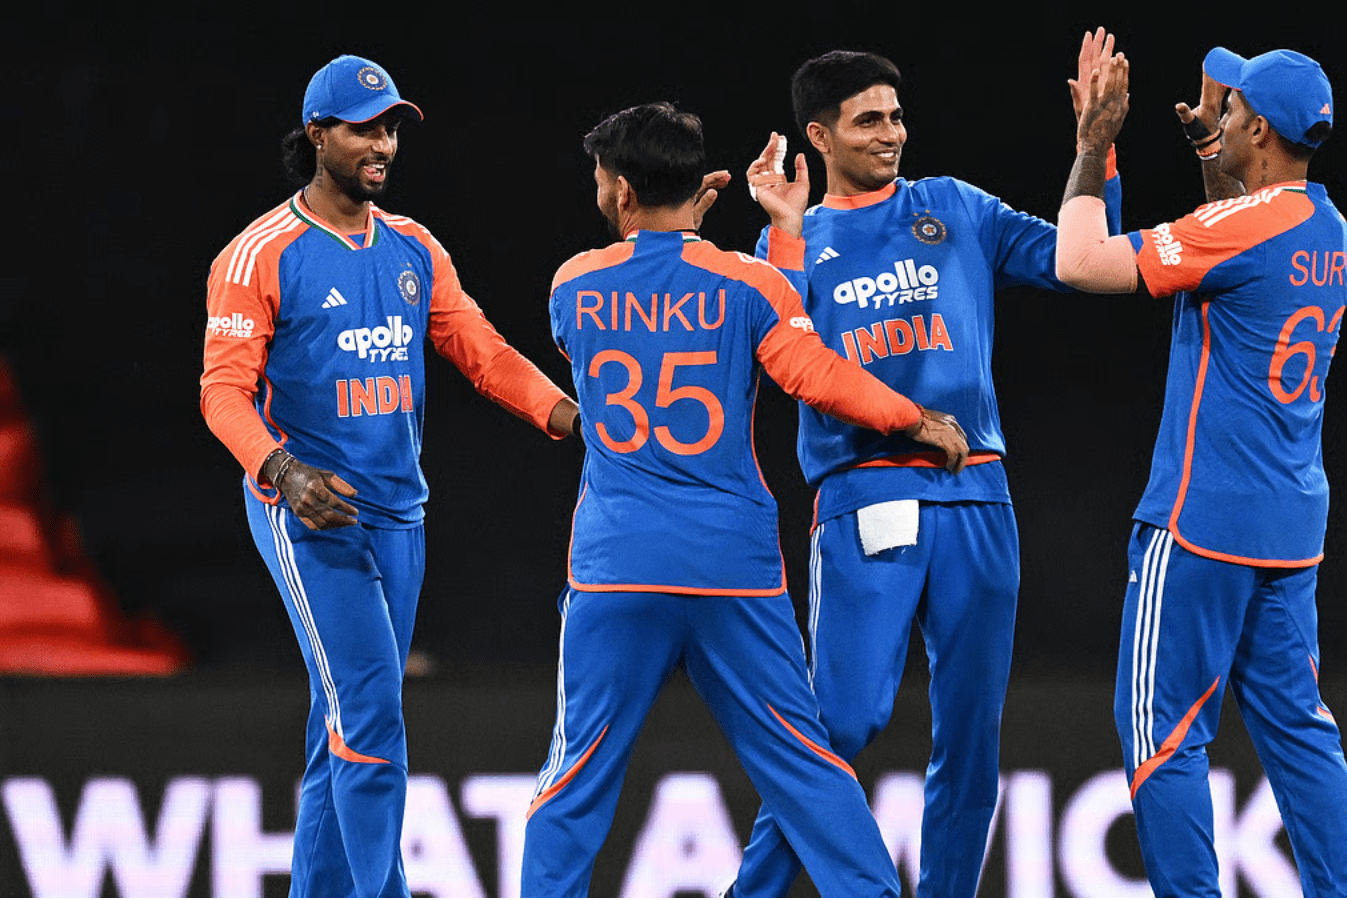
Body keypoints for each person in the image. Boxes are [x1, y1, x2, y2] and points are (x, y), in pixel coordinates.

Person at [518, 101, 970, 899]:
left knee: (576, 772)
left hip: (617, 566)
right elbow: (808, 368)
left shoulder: (572, 284)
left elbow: (632, 317)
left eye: (600, 179)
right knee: (802, 764)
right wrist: (912, 418)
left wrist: (683, 231)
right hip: (731, 567)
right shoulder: (750, 282)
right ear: (695, 186)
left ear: (622, 191)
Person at [729, 35, 1122, 898]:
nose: (891, 133)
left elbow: (1080, 262)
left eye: (897, 116)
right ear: (818, 136)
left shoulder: (954, 206)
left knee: (972, 741)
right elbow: (781, 353)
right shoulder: (792, 241)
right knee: (842, 723)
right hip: (867, 494)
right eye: (868, 120)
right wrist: (785, 233)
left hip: (979, 495)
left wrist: (1095, 149)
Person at [199, 54, 577, 897]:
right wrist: (285, 472)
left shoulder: (413, 246)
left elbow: (484, 354)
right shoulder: (258, 254)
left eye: (392, 129)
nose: (383, 145)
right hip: (310, 514)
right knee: (370, 712)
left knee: (338, 723)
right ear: (317, 135)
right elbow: (221, 394)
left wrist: (578, 420)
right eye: (365, 129)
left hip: (400, 515)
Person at [1055, 39, 1347, 897]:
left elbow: (1078, 261)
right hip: (1288, 523)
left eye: (1230, 110)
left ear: (1260, 130)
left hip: (1201, 519)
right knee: (1300, 732)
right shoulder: (1329, 229)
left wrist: (1094, 144)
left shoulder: (1249, 227)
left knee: (1160, 734)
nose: (1218, 115)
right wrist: (1207, 149)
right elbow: (1239, 239)